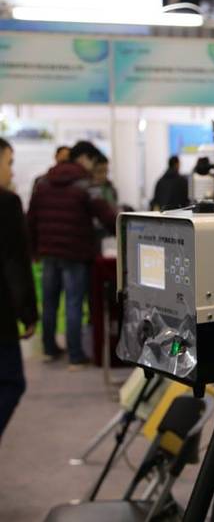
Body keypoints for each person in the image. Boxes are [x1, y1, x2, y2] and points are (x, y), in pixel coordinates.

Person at [27, 141, 117, 369]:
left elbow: (31, 218)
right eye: (92, 161)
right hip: (75, 252)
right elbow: (105, 214)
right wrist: (123, 229)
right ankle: (75, 355)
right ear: (84, 157)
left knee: (49, 303)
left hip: (48, 251)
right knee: (74, 303)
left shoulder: (43, 182)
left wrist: (34, 248)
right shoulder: (86, 184)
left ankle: (49, 349)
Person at [0, 137, 38, 439]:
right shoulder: (7, 204)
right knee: (11, 382)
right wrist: (28, 313)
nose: (11, 171)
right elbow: (15, 263)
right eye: (8, 163)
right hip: (1, 315)